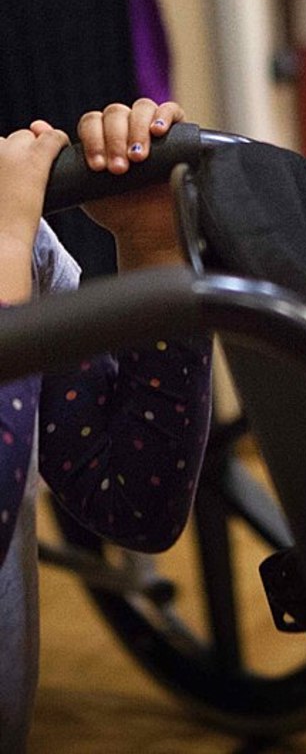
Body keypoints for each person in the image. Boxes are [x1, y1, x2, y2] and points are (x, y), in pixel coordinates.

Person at [0, 98, 209, 752]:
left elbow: (133, 498)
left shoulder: (20, 234)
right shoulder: (8, 230)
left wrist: (151, 245)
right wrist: (4, 242)